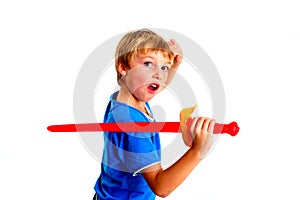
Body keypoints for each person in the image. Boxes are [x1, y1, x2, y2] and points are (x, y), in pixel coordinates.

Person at [93, 29, 215, 199]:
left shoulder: (124, 101)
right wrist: (197, 152)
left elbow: (156, 83)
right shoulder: (133, 126)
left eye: (164, 67)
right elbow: (161, 186)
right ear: (123, 67)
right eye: (148, 64)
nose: (159, 75)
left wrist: (175, 65)